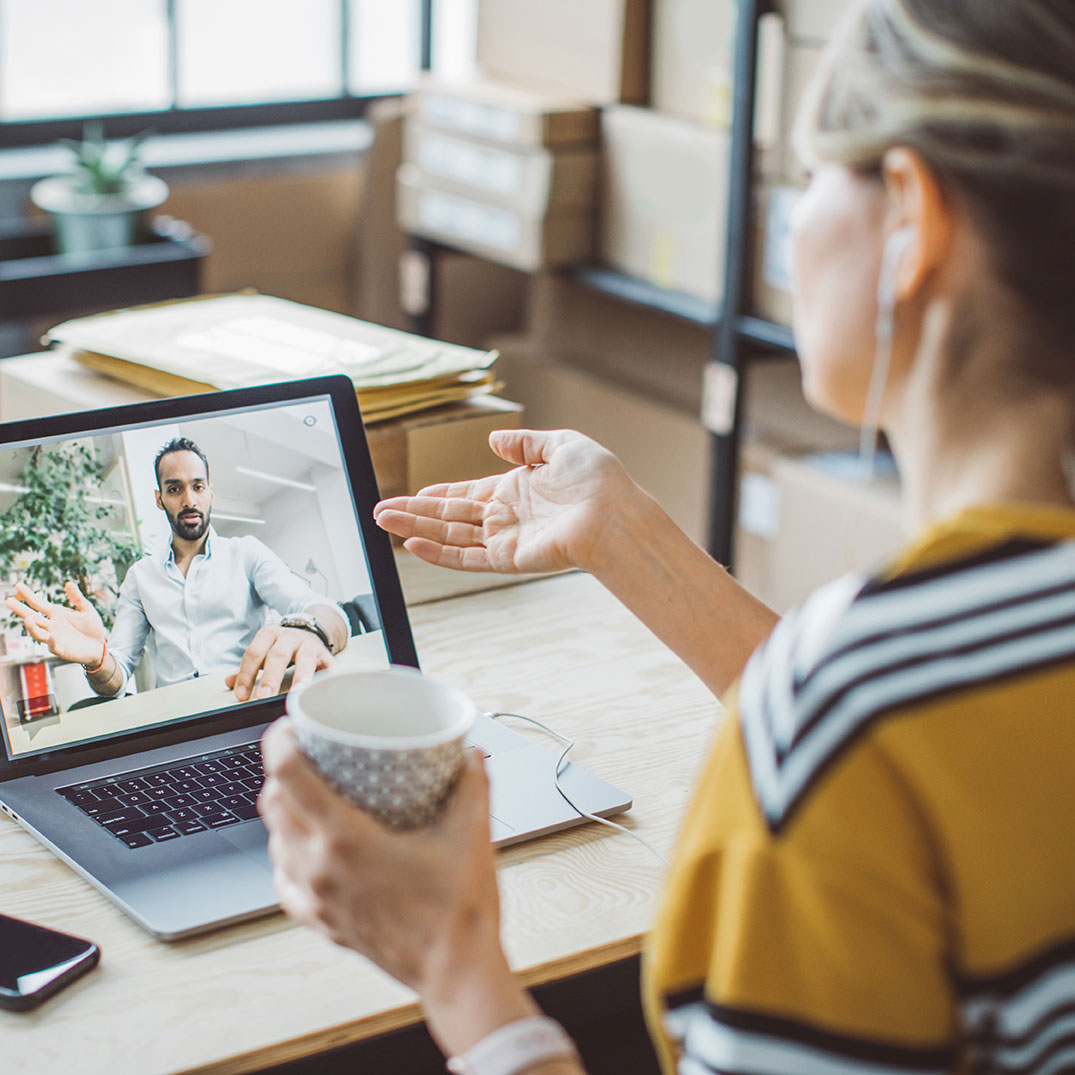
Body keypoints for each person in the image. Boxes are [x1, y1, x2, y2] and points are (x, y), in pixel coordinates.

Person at [257, 2, 1075, 1073]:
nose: (791, 220)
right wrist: (629, 538)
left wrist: (454, 963)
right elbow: (925, 732)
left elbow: (866, 723)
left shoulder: (850, 707)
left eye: (809, 173)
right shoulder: (921, 681)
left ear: (911, 221)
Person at [6, 437, 349, 703]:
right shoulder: (140, 577)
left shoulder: (246, 553)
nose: (189, 499)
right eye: (175, 489)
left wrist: (310, 631)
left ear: (210, 493)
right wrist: (97, 659)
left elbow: (327, 613)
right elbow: (116, 678)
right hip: (175, 725)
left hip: (245, 702)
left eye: (198, 487)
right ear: (159, 499)